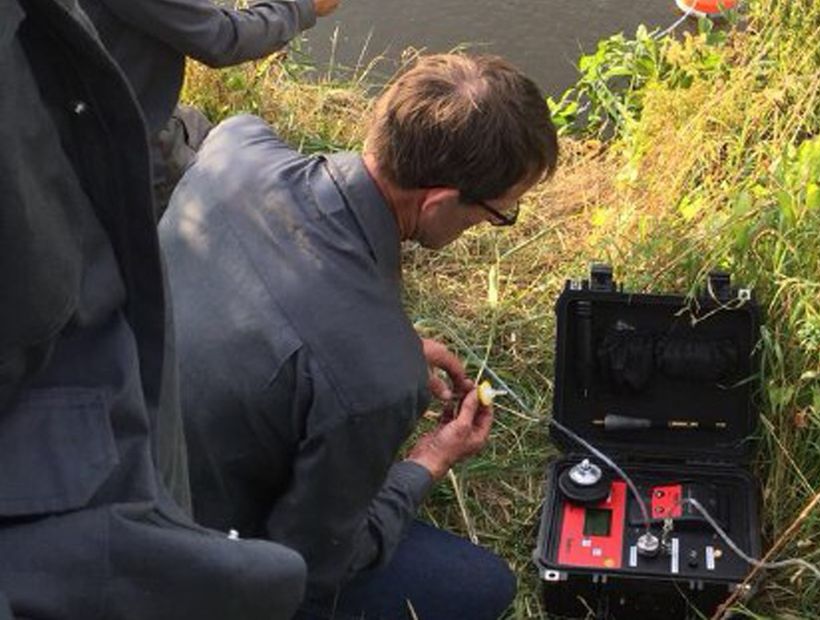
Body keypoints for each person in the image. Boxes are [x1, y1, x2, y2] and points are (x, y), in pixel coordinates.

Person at [158, 53, 559, 618]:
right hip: (190, 552)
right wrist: (428, 462)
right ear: (441, 201)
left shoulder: (236, 146)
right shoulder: (377, 384)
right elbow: (305, 569)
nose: (488, 227)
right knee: (483, 586)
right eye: (499, 214)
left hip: (123, 440)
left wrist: (381, 353)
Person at [0, 0, 308, 617]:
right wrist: (302, 10)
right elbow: (221, 37)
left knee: (205, 133)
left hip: (112, 124)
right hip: (116, 152)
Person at [78, 0, 339, 213]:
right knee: (243, 204)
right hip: (121, 147)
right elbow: (223, 37)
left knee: (211, 134)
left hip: (103, 104)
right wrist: (303, 7)